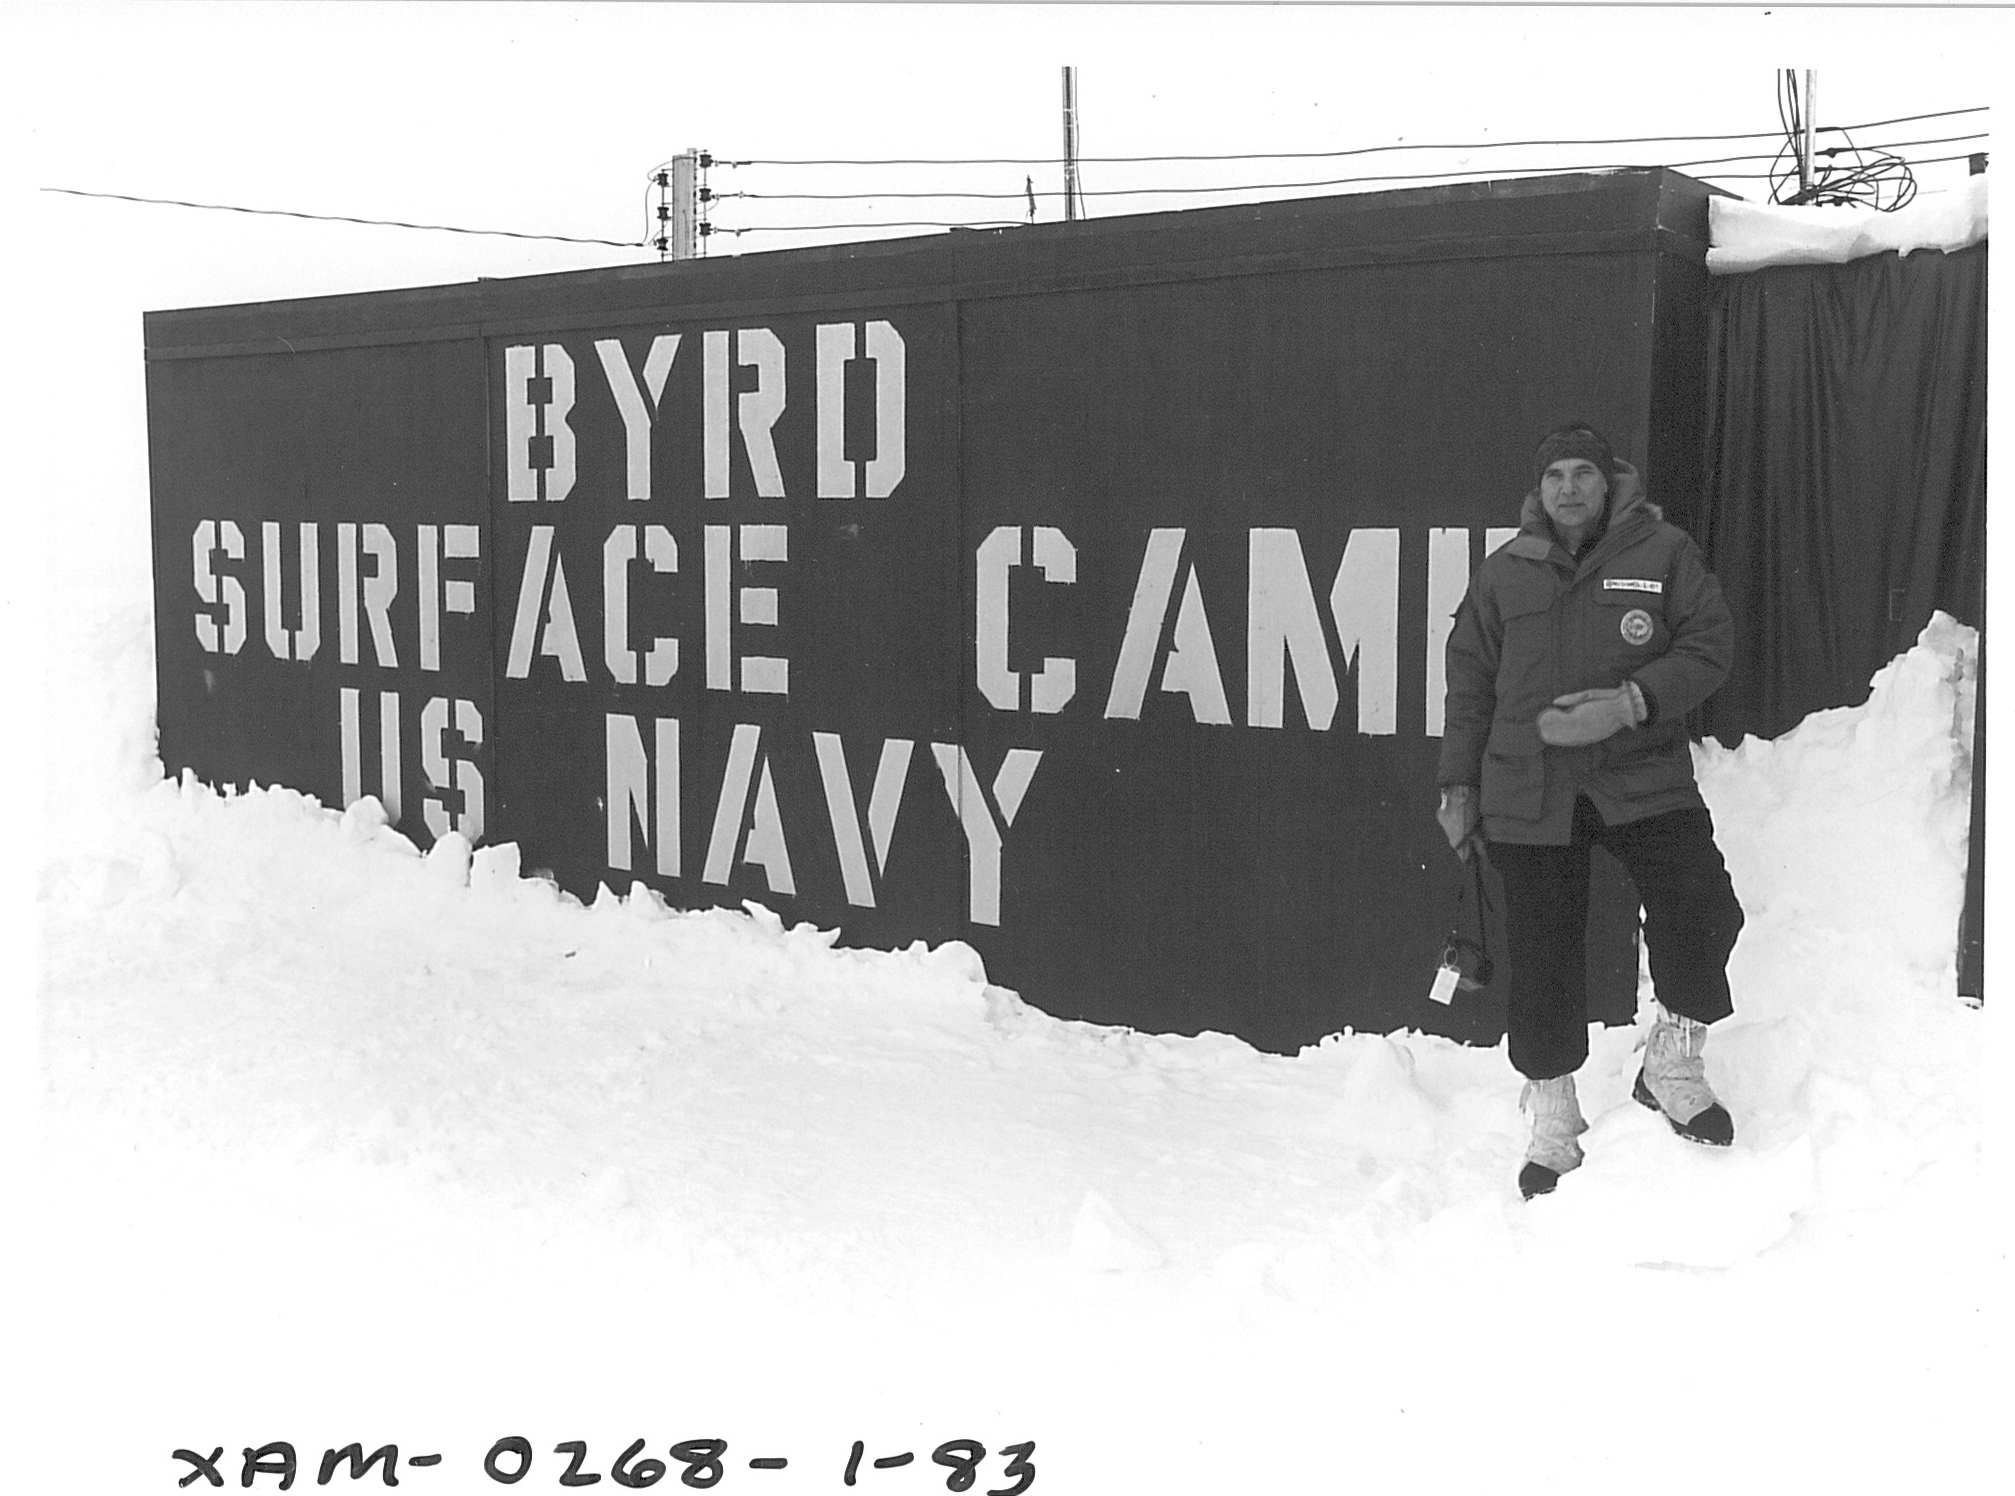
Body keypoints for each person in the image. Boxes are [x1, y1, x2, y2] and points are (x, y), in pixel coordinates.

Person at [1436, 421, 1747, 1200]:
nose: (1568, 488)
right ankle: (1552, 1115)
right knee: (1542, 952)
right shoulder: (1503, 572)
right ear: (1537, 492)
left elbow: (1709, 644)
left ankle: (1671, 1065)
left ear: (1609, 482)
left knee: (1700, 905)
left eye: (1581, 473)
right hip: (1526, 787)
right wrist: (1458, 788)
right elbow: (1469, 684)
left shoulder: (1662, 552)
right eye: (1554, 477)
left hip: (1638, 775)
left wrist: (1629, 703)